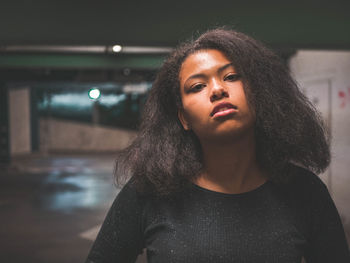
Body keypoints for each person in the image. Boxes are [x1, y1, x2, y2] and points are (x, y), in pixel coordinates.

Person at [86, 28, 350, 263]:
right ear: (184, 118)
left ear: (260, 95)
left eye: (232, 76)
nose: (217, 90)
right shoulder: (149, 191)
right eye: (197, 86)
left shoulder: (305, 191)